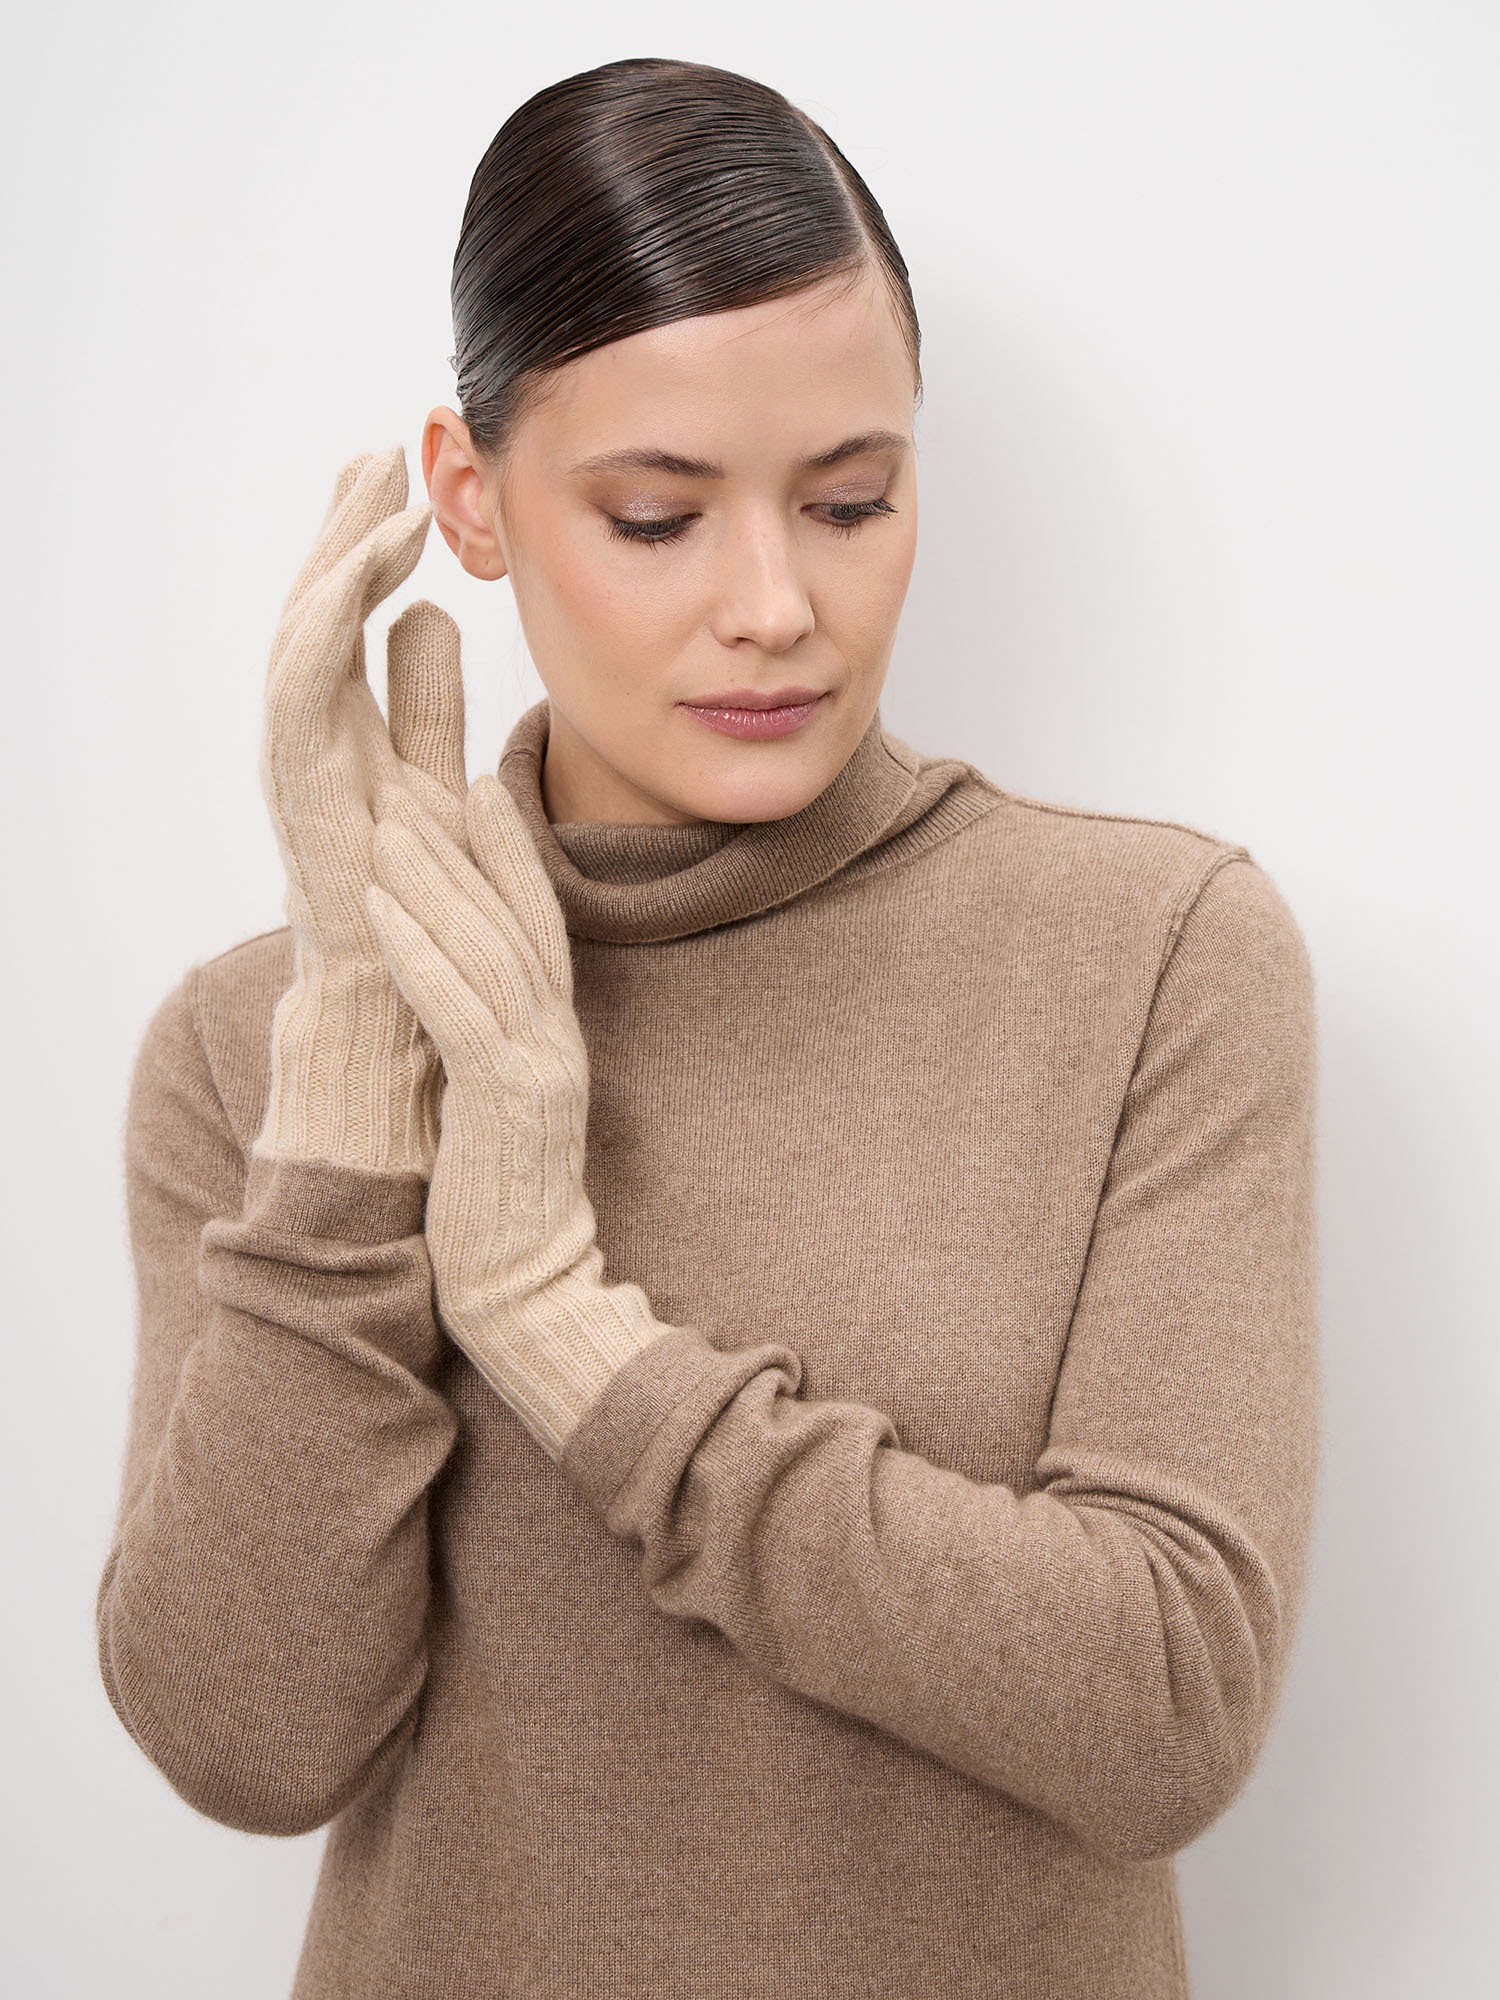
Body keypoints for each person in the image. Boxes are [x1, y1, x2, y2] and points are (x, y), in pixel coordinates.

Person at [95, 56, 1320, 2000]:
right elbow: (247, 1743)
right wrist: (352, 1072)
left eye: (851, 501)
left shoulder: (1156, 956)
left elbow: (1166, 1706)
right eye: (658, 517)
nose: (775, 604)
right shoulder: (251, 1048)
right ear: (471, 500)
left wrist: (561, 1326)